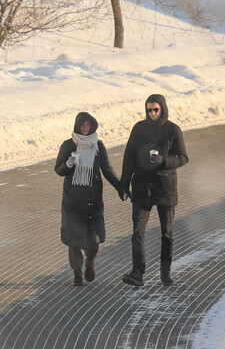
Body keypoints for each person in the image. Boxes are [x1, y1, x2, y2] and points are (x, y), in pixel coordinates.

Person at [118, 93, 189, 287]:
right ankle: (137, 272)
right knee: (137, 232)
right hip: (141, 188)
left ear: (162, 109)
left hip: (165, 189)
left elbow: (183, 158)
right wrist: (123, 183)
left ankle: (165, 273)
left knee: (167, 233)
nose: (152, 113)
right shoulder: (139, 129)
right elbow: (129, 158)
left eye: (155, 109)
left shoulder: (173, 130)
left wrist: (163, 161)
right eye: (149, 110)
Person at [54, 111, 122, 286]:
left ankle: (90, 260)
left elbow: (106, 169)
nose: (85, 129)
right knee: (74, 241)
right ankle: (77, 272)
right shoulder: (68, 145)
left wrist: (120, 187)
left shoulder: (98, 145)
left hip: (93, 202)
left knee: (93, 240)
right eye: (83, 125)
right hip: (72, 202)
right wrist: (69, 164)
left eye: (88, 126)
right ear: (77, 126)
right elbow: (59, 170)